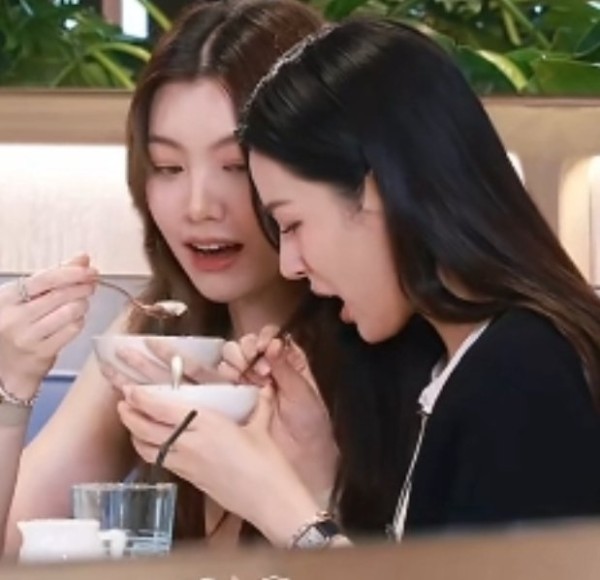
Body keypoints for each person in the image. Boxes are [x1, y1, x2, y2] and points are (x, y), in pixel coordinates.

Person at [117, 18, 600, 548]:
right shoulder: (467, 367)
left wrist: (275, 502)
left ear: (373, 193)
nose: (291, 264)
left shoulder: (520, 371)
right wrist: (315, 476)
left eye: (292, 224)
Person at [0, 0, 341, 555]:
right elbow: (12, 544)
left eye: (235, 167)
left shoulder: (377, 344)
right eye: (168, 168)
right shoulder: (152, 340)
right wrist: (10, 383)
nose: (198, 206)